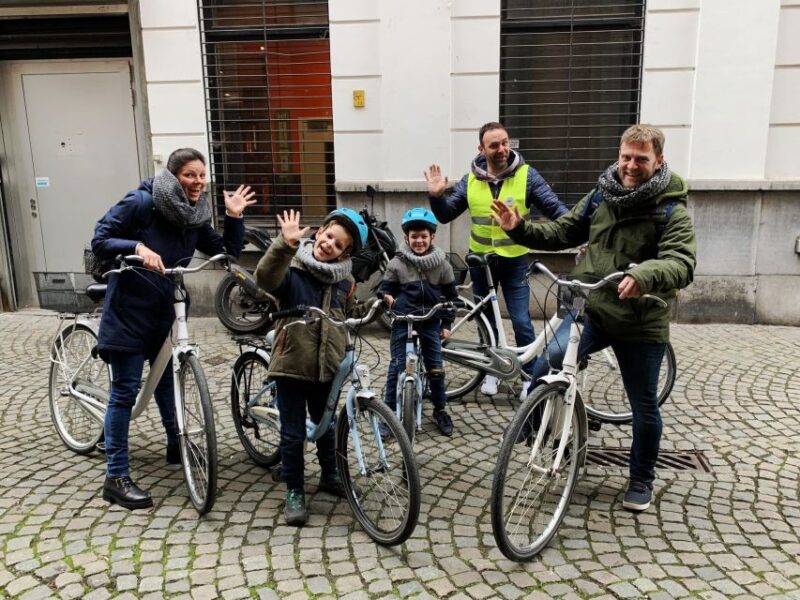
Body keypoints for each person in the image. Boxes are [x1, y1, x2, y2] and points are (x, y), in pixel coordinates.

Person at [490, 124, 697, 512]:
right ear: (618, 154)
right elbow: (565, 230)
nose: (631, 165)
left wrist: (644, 274)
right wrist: (520, 229)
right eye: (626, 157)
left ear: (659, 161)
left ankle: (641, 479)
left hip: (641, 320)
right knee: (548, 363)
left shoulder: (671, 208)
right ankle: (543, 430)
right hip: (594, 307)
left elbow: (682, 262)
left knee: (644, 406)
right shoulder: (603, 193)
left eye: (641, 159)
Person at [92, 147, 256, 510]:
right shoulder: (142, 202)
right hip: (129, 311)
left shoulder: (193, 216)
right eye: (189, 175)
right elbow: (99, 238)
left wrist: (233, 216)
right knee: (125, 391)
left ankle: (175, 440)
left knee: (167, 379)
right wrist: (136, 246)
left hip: (165, 308)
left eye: (201, 175)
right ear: (173, 175)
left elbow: (226, 252)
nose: (197, 182)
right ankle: (116, 476)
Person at [424, 121, 567, 400]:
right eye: (494, 145)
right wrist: (436, 196)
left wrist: (578, 237)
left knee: (521, 321)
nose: (501, 149)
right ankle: (490, 370)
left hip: (514, 260)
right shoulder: (471, 179)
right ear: (481, 149)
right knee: (485, 321)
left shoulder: (527, 176)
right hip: (481, 262)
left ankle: (528, 377)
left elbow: (556, 209)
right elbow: (445, 215)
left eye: (505, 143)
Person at [254, 207, 369, 527]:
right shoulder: (292, 270)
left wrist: (373, 306)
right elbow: (264, 278)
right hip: (292, 364)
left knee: (326, 424)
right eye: (329, 235)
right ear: (319, 232)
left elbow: (348, 312)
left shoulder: (344, 282)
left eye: (339, 244)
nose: (330, 244)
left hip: (326, 367)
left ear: (345, 252)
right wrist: (283, 244)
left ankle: (330, 475)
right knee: (292, 435)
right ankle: (294, 491)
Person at [379, 208, 459, 436]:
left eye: (424, 236)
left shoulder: (442, 264)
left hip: (430, 321)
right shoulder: (396, 263)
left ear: (432, 237)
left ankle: (440, 409)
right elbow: (385, 289)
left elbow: (451, 297)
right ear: (406, 238)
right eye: (414, 237)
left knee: (436, 367)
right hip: (404, 320)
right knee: (396, 366)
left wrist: (446, 324)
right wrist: (386, 297)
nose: (419, 241)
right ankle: (390, 414)